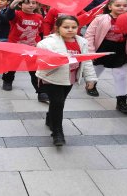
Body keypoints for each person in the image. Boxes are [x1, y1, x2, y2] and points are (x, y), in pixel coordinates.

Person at [37, 16, 97, 146]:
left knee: (58, 102)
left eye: (74, 27)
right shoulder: (47, 42)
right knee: (58, 103)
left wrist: (90, 78)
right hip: (52, 77)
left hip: (70, 78)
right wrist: (57, 59)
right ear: (57, 28)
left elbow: (86, 60)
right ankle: (57, 133)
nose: (70, 30)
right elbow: (41, 59)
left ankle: (50, 117)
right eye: (66, 27)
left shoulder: (82, 42)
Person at [84, 0, 127, 113]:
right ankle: (90, 84)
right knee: (98, 68)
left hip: (121, 49)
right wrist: (91, 51)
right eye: (118, 5)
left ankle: (121, 102)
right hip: (103, 47)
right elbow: (89, 34)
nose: (122, 7)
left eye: (124, 5)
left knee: (120, 75)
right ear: (110, 7)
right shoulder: (101, 19)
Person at [2, 0, 45, 103]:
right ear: (20, 5)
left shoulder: (39, 17)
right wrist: (13, 2)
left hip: (32, 48)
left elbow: (40, 31)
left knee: (35, 70)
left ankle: (41, 92)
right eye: (27, 3)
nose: (31, 5)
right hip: (15, 46)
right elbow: (8, 16)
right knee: (11, 66)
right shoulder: (17, 14)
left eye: (33, 3)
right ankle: (7, 81)